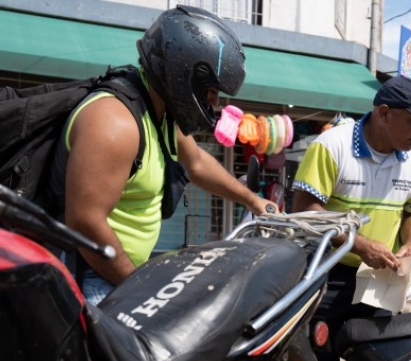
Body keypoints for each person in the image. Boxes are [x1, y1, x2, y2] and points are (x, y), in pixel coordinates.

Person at [50, 6, 277, 304]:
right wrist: (140, 290)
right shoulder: (115, 124)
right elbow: (85, 223)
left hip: (120, 272)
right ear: (184, 74)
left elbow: (196, 162)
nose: (215, 102)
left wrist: (253, 201)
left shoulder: (159, 113)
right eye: (211, 90)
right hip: (88, 275)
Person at [291, 75, 411, 361]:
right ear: (384, 114)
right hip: (327, 274)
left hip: (381, 279)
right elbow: (306, 210)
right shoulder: (331, 146)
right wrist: (359, 245)